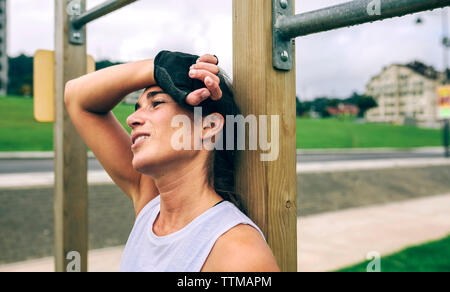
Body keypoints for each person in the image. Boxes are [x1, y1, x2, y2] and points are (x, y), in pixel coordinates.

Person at [64, 51, 280, 272]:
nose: (131, 119)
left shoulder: (238, 253)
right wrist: (162, 66)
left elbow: (78, 100)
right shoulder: (150, 207)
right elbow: (76, 96)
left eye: (156, 103)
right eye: (137, 108)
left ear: (208, 127)